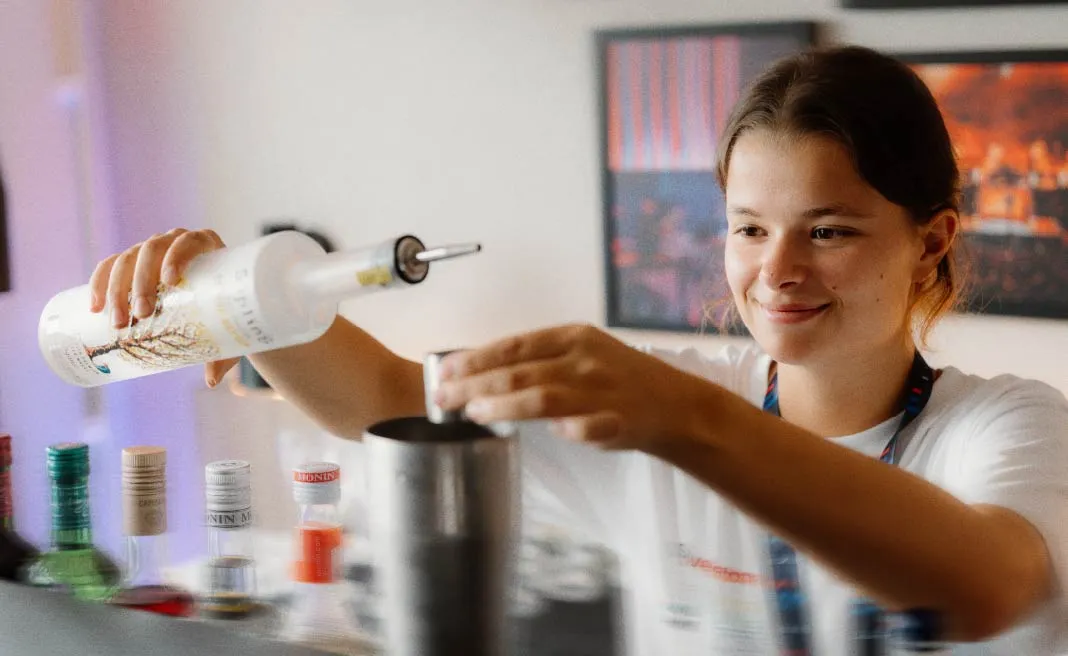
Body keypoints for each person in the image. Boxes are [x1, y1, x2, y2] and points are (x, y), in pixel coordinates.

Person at [89, 45, 1068, 655]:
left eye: (829, 230)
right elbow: (384, 396)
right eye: (746, 228)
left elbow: (983, 587)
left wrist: (686, 420)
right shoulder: (656, 394)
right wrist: (238, 296)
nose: (777, 271)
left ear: (931, 240)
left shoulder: (1002, 422)